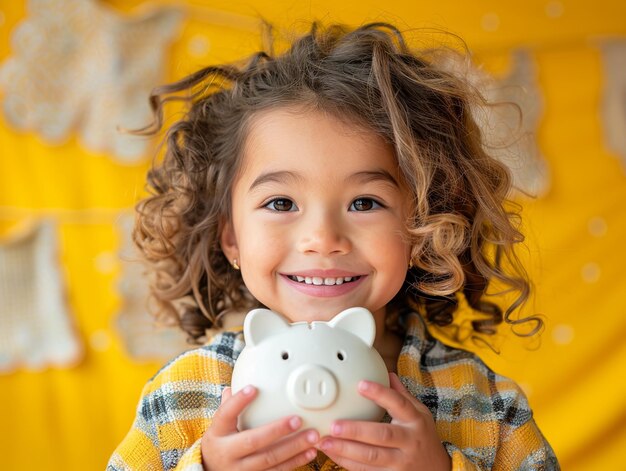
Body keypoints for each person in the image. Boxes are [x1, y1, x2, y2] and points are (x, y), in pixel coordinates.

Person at [107, 22, 559, 470]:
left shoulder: (486, 406)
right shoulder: (180, 399)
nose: (323, 239)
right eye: (281, 202)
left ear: (423, 225)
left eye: (365, 202)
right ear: (231, 238)